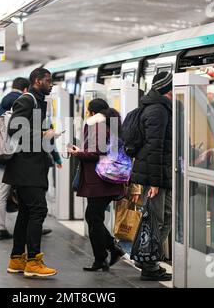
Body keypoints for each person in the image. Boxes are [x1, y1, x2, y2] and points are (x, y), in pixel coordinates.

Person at [4, 68, 57, 277]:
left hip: (29, 166)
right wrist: (43, 133)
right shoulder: (28, 100)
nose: (51, 84)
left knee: (26, 213)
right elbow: (15, 129)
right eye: (48, 80)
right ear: (37, 81)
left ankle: (17, 259)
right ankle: (34, 261)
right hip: (27, 167)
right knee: (38, 211)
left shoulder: (37, 101)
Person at [0, 77, 54, 240]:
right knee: (30, 202)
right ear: (27, 88)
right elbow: (20, 129)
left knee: (3, 191)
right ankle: (31, 235)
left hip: (5, 153)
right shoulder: (27, 101)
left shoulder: (0, 105)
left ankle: (0, 227)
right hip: (22, 156)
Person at [68, 98, 126, 272]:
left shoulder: (98, 127)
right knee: (93, 217)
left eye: (87, 111)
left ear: (92, 113)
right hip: (105, 181)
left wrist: (78, 152)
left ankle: (107, 254)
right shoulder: (108, 125)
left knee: (93, 218)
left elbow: (95, 153)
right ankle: (106, 254)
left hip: (100, 181)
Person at [129, 71, 173, 281]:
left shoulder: (157, 108)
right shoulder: (158, 110)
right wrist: (154, 182)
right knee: (155, 219)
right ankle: (148, 263)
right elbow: (155, 147)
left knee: (167, 216)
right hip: (154, 175)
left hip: (157, 172)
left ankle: (148, 258)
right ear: (167, 89)